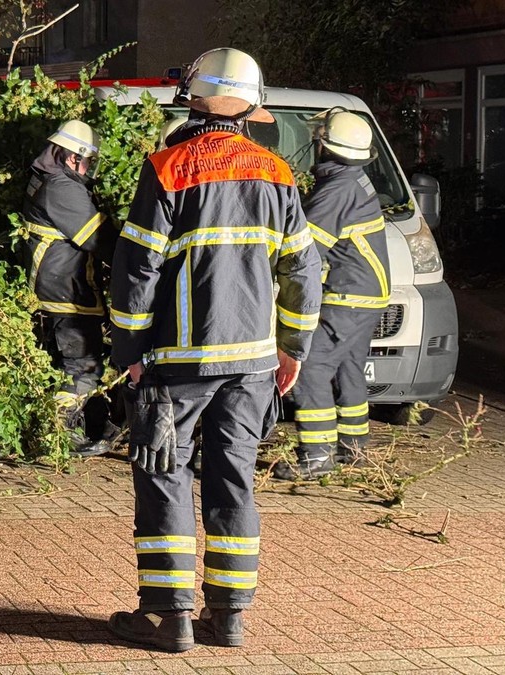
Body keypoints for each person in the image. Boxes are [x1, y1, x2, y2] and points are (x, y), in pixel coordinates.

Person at [106, 48, 323, 651]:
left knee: (164, 473)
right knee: (234, 479)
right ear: (252, 108)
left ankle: (167, 617)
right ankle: (228, 616)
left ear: (192, 102)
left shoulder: (168, 168)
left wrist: (130, 347)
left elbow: (137, 267)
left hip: (179, 363)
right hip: (253, 364)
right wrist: (293, 347)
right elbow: (303, 269)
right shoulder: (277, 172)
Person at [274, 109, 390, 480]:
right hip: (365, 295)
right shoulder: (354, 180)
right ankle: (354, 451)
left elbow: (305, 250)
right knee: (348, 368)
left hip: (347, 296)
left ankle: (316, 456)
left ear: (326, 146)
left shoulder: (337, 190)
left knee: (312, 368)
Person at [21, 120, 117, 457]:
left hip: (57, 289)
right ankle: (63, 434)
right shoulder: (62, 188)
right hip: (67, 294)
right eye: (88, 161)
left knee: (75, 364)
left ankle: (82, 425)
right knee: (81, 365)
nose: (89, 168)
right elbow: (99, 239)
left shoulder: (49, 179)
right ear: (72, 157)